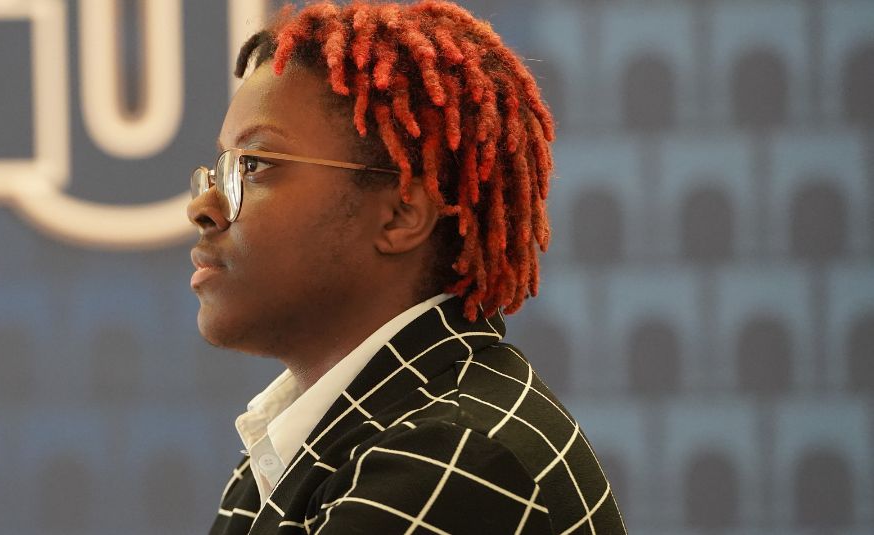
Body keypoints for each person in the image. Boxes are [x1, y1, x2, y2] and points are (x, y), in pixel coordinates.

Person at [187, 1, 625, 533]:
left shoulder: (452, 457)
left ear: (400, 215)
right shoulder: (299, 447)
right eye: (219, 168)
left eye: (254, 166)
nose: (203, 207)